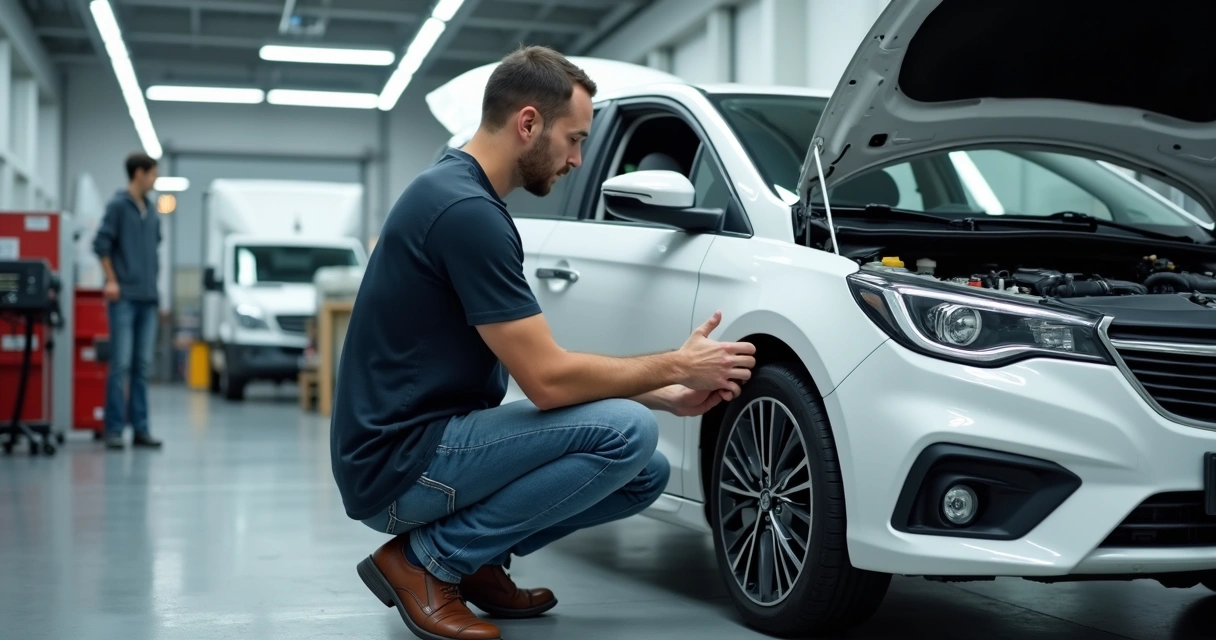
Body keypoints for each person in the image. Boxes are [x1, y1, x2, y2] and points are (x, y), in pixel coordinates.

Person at [330, 45, 754, 640]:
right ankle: (426, 562)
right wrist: (675, 364)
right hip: (400, 468)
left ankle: (477, 560)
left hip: (418, 446)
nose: (579, 159)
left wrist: (669, 390)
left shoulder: (457, 194)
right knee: (626, 433)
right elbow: (548, 382)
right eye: (574, 139)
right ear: (528, 123)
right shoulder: (465, 211)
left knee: (644, 471)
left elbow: (542, 368)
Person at [92, 151, 164, 451]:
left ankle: (141, 429)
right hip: (124, 299)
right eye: (152, 174)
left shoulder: (151, 211)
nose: (155, 180)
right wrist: (111, 280)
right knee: (120, 364)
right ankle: (114, 429)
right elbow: (101, 245)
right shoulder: (117, 207)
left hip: (148, 298)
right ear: (139, 174)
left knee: (142, 366)